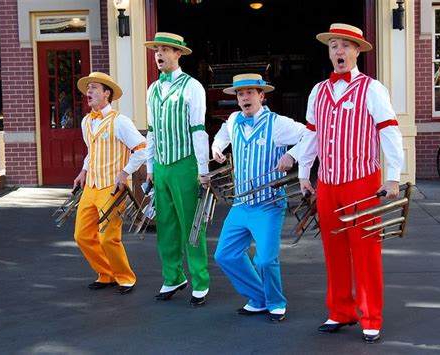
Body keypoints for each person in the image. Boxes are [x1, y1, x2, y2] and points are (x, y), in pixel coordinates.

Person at [286, 23, 404, 342]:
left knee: (365, 250)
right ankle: (341, 310)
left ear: (357, 51)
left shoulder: (372, 88)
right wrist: (303, 173)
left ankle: (371, 315)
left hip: (362, 182)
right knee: (334, 250)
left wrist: (393, 176)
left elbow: (389, 131)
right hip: (327, 183)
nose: (339, 51)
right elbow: (312, 135)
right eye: (334, 45)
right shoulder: (318, 91)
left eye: (345, 46)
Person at [211, 73, 314, 322]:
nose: (245, 97)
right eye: (240, 93)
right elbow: (223, 135)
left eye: (250, 93)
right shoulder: (234, 119)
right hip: (241, 204)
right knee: (224, 255)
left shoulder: (277, 124)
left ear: (261, 96)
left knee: (266, 260)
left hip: (269, 204)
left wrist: (292, 156)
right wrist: (216, 147)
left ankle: (276, 302)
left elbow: (311, 135)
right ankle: (258, 297)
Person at [144, 32, 210, 307]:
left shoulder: (192, 87)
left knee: (191, 225)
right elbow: (151, 131)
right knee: (166, 225)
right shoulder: (152, 89)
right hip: (161, 165)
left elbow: (198, 129)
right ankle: (172, 276)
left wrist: (203, 167)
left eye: (166, 50)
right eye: (157, 49)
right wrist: (150, 167)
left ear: (178, 54)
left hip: (185, 163)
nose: (159, 54)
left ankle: (200, 281)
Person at [73, 72, 146, 295]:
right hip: (91, 187)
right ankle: (106, 273)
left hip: (112, 188)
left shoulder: (120, 121)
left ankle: (125, 277)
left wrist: (124, 173)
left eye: (94, 88)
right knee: (82, 236)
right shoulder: (87, 121)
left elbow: (142, 149)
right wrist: (83, 170)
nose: (89, 92)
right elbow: (91, 152)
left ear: (107, 93)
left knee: (108, 237)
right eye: (88, 88)